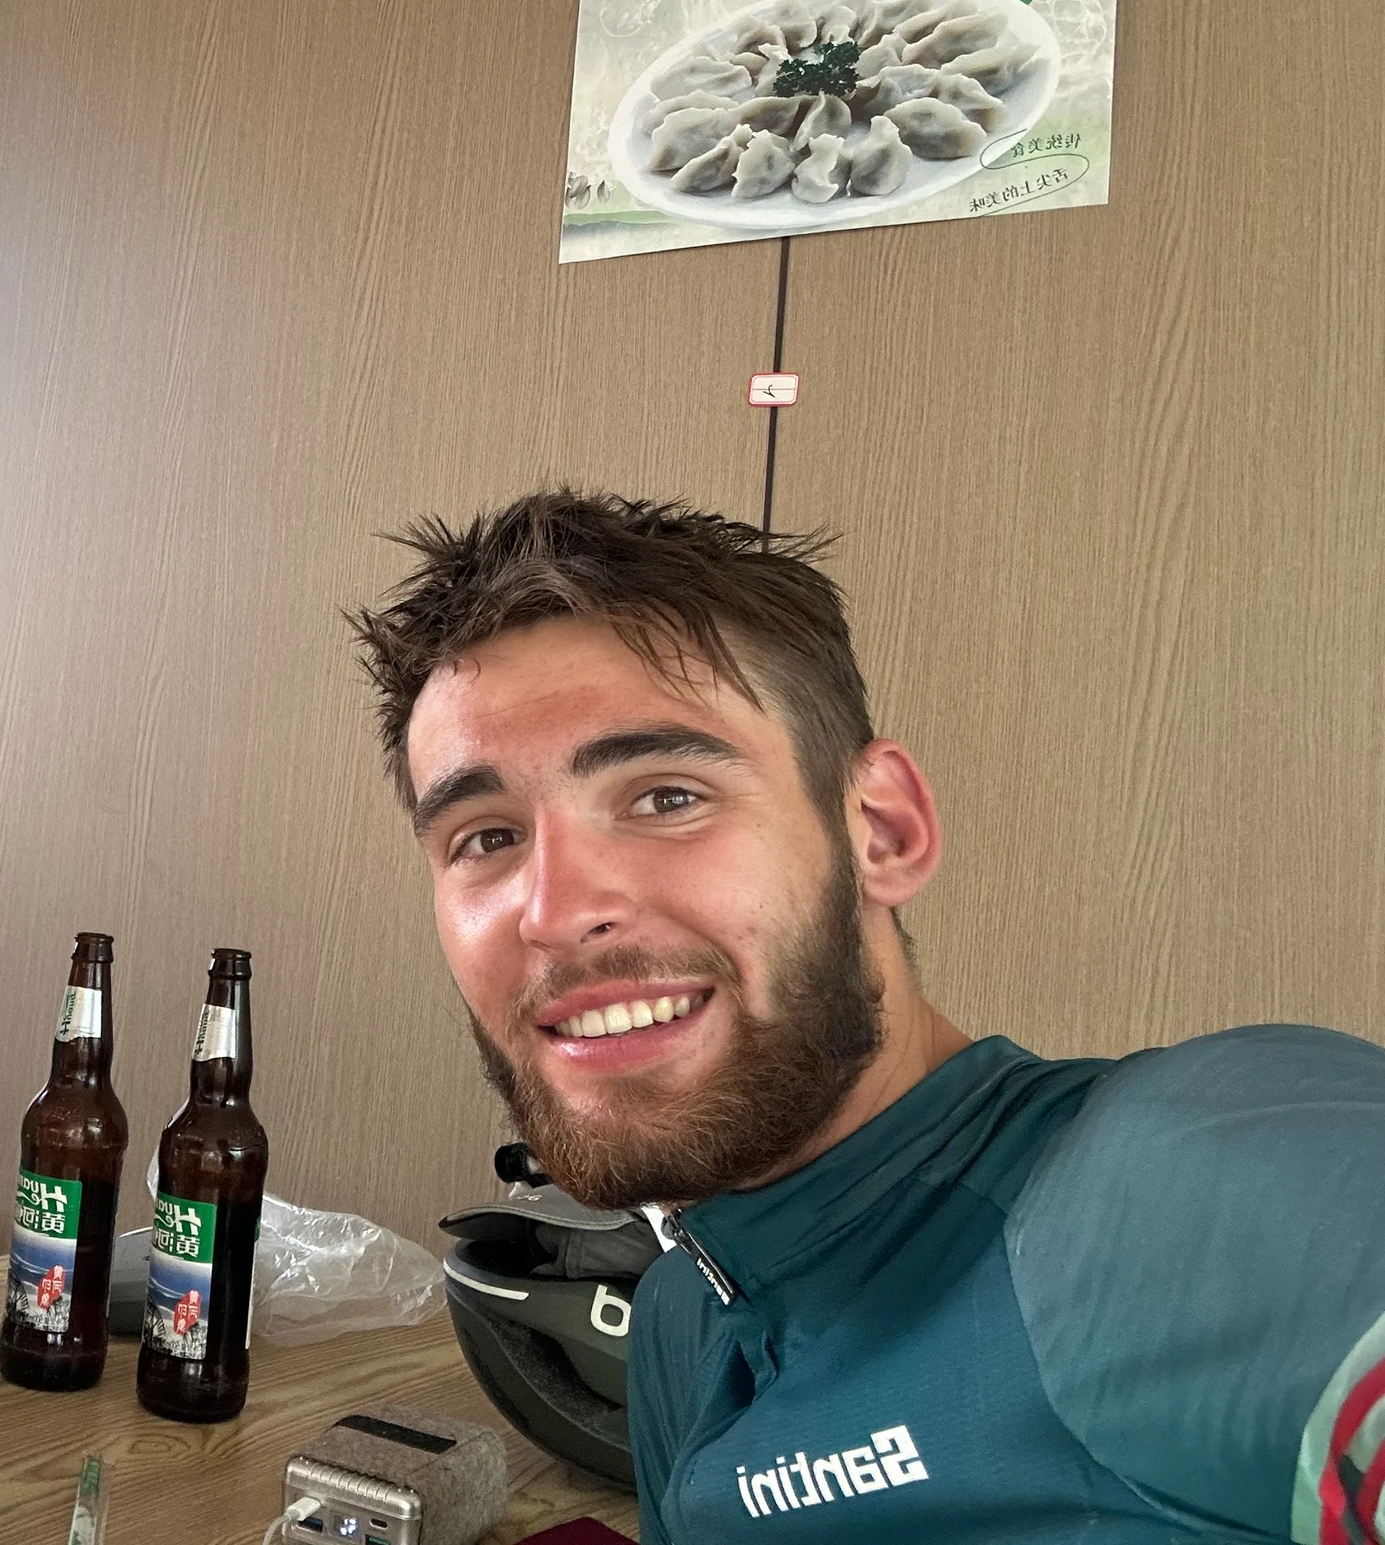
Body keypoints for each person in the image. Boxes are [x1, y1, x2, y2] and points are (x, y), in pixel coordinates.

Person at [350, 491, 1385, 1543]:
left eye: (666, 797)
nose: (555, 912)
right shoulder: (679, 1323)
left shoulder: (1179, 1187)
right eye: (485, 838)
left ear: (881, 832)